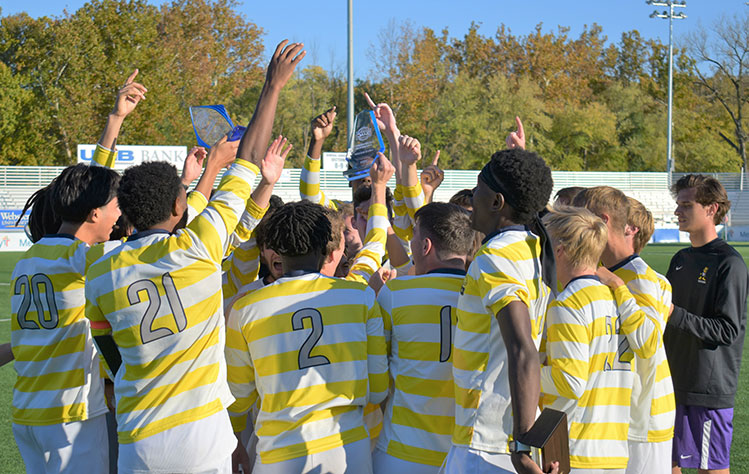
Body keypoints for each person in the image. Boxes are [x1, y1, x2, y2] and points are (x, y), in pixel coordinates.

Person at [84, 40, 301, 473]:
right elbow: (250, 160)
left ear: (123, 211)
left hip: (137, 441)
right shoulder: (199, 246)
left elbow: (107, 346)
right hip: (202, 438)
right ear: (180, 208)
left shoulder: (100, 268)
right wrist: (272, 86)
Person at [10, 69, 145, 473]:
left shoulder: (28, 260)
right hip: (69, 416)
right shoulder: (83, 260)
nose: (119, 214)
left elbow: (93, 190)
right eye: (114, 207)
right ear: (93, 212)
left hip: (27, 413)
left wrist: (115, 122)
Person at [225, 200, 388, 474]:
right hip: (349, 450)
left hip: (279, 453)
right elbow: (378, 388)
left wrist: (235, 440)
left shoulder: (245, 308)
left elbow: (238, 398)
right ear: (328, 246)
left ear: (274, 251)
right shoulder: (361, 297)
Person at [447, 148, 555, 474]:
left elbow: (522, 348)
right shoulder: (535, 247)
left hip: (487, 439)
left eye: (478, 187)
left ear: (496, 202)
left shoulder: (495, 257)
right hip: (502, 432)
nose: (473, 195)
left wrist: (521, 445)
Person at [572, 187, 673, 474]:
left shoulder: (640, 277)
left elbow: (648, 343)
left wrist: (617, 287)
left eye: (581, 219)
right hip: (620, 414)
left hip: (646, 419)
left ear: (602, 221)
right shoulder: (604, 269)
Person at [373, 202, 474, 473]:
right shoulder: (484, 295)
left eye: (414, 236)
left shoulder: (395, 293)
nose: (411, 244)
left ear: (426, 246)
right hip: (467, 456)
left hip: (401, 453)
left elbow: (377, 375)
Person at [540, 206, 635, 473]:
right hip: (613, 447)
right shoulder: (615, 297)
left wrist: (526, 372)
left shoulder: (568, 304)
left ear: (559, 251)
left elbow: (570, 382)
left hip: (576, 449)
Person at [665, 174, 748, 474]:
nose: (678, 212)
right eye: (678, 205)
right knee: (666, 464)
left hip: (708, 390)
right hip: (671, 382)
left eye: (686, 205)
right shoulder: (680, 259)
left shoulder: (729, 263)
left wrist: (673, 313)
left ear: (712, 209)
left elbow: (727, 330)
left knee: (710, 469)